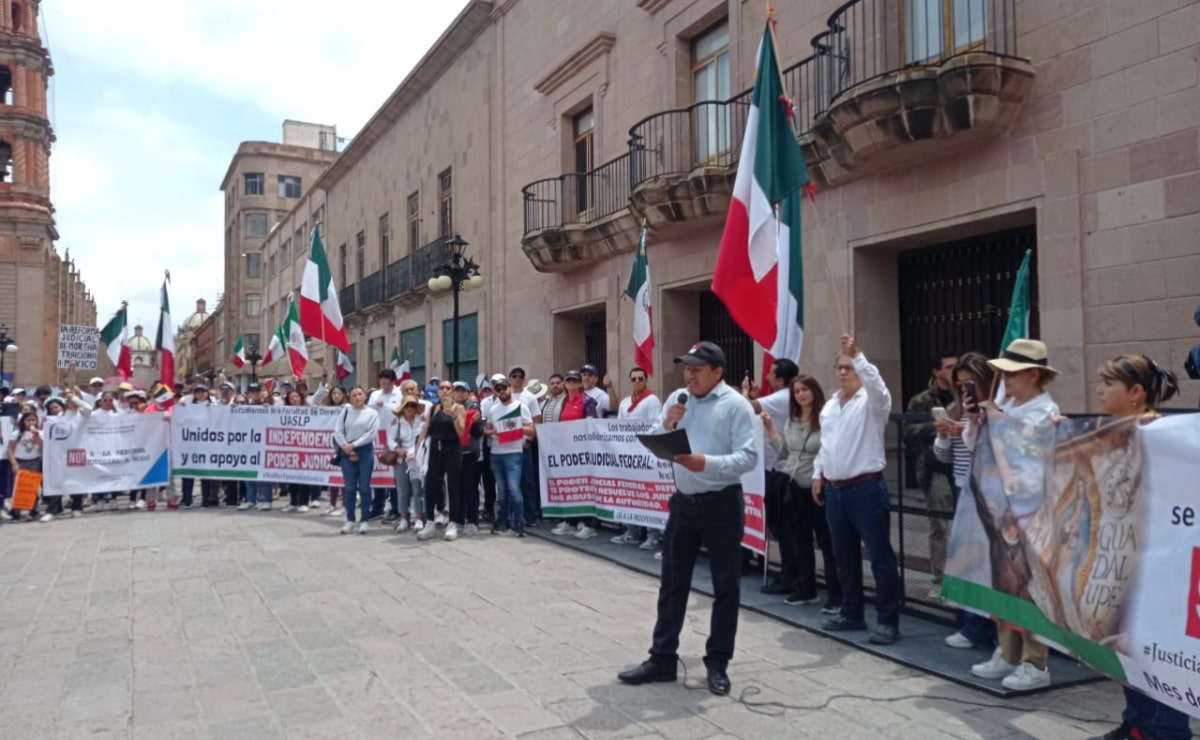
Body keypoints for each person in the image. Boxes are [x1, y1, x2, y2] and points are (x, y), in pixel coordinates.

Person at [617, 341, 758, 697]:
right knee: (672, 583)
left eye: (697, 369)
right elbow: (659, 440)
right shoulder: (678, 400)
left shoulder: (735, 406)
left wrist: (706, 462)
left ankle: (717, 663)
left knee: (726, 587)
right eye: (686, 368)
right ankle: (662, 657)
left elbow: (749, 457)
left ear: (717, 372)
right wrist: (666, 424)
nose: (689, 375)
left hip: (722, 504)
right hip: (683, 503)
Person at [1088, 354, 1188, 740]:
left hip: (1160, 564)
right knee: (1130, 647)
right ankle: (1139, 723)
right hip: (1123, 559)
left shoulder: (1163, 433)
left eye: (1108, 384)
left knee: (1161, 650)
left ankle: (1167, 731)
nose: (1099, 390)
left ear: (1135, 393)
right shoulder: (1110, 430)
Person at [968, 338, 1059, 690]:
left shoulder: (1044, 410)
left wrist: (998, 420)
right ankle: (1006, 652)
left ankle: (1035, 662)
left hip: (1031, 509)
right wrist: (977, 422)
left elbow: (1029, 452)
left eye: (1012, 374)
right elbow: (975, 447)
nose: (1005, 381)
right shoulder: (1006, 406)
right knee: (1004, 582)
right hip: (1000, 507)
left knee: (1030, 585)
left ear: (1033, 375)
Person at [813, 334, 902, 645]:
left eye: (848, 367)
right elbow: (826, 446)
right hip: (836, 490)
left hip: (866, 488)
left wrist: (859, 356)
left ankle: (888, 619)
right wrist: (817, 474)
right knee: (844, 556)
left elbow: (878, 388)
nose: (842, 372)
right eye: (839, 367)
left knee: (879, 557)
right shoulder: (829, 406)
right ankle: (851, 612)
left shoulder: (872, 403)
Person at [936, 352, 1000, 652]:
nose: (965, 389)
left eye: (969, 382)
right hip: (963, 486)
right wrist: (945, 437)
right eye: (960, 384)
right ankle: (968, 622)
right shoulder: (956, 407)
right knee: (965, 560)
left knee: (983, 562)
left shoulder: (993, 411)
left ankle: (980, 627)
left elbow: (991, 452)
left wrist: (968, 428)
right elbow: (944, 456)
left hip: (988, 491)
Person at [763, 375, 842, 612]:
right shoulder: (792, 420)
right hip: (794, 488)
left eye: (805, 389)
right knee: (801, 540)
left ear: (814, 392)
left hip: (818, 487)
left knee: (827, 542)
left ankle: (836, 595)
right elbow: (785, 452)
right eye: (797, 391)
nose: (801, 394)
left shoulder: (826, 419)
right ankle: (807, 589)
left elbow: (830, 451)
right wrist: (770, 430)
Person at [741, 359, 801, 594]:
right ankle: (791, 573)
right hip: (777, 468)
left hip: (783, 470)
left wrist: (746, 391)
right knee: (781, 526)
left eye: (771, 374)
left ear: (781, 379)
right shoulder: (782, 398)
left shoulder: (782, 397)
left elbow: (745, 407)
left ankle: (791, 576)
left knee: (785, 527)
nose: (767, 378)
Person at [905, 353, 958, 600]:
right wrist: (935, 425)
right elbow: (908, 430)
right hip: (936, 466)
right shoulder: (922, 400)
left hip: (962, 465)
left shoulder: (966, 395)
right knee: (939, 525)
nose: (954, 371)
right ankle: (940, 579)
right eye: (949, 367)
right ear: (937, 372)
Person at [609, 367, 664, 548]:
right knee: (631, 493)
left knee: (649, 495)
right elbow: (620, 427)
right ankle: (632, 531)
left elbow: (655, 426)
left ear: (646, 380)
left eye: (641, 378)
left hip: (645, 454)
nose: (637, 381)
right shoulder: (625, 402)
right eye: (634, 379)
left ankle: (653, 535)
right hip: (629, 455)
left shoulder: (652, 401)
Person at [549, 369, 599, 539]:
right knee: (570, 486)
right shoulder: (564, 401)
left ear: (579, 383)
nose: (570, 383)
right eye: (568, 380)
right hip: (566, 451)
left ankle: (588, 524)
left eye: (574, 380)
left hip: (583, 451)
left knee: (585, 487)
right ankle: (570, 521)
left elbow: (592, 425)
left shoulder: (588, 401)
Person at [416, 379, 466, 542]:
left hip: (452, 449)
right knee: (431, 485)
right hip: (435, 450)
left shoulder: (459, 408)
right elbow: (425, 431)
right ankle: (430, 521)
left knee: (453, 486)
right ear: (437, 391)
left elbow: (461, 431)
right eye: (441, 388)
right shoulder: (433, 408)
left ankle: (452, 523)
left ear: (452, 391)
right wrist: (415, 451)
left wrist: (453, 417)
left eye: (448, 388)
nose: (444, 390)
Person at [483, 375, 534, 537]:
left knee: (514, 489)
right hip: (496, 453)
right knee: (502, 491)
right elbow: (486, 431)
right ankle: (503, 521)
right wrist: (494, 432)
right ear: (495, 392)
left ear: (510, 388)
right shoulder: (493, 409)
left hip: (513, 452)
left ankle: (518, 522)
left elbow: (531, 430)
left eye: (504, 388)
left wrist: (516, 427)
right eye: (498, 389)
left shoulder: (521, 406)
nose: (502, 391)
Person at [333, 387, 379, 535]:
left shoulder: (372, 413)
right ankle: (350, 519)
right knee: (350, 487)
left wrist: (355, 445)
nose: (357, 397)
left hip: (364, 450)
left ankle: (364, 520)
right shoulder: (345, 411)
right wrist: (346, 446)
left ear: (365, 396)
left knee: (364, 487)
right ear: (350, 397)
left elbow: (371, 434)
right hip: (347, 450)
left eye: (360, 394)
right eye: (354, 395)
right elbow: (338, 431)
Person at [387, 395, 426, 533]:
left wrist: (415, 452)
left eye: (412, 406)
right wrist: (398, 449)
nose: (409, 408)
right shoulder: (396, 422)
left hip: (416, 460)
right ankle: (404, 518)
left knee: (417, 490)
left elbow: (424, 440)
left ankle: (419, 518)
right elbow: (390, 440)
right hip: (400, 459)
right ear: (403, 408)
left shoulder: (422, 422)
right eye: (407, 406)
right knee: (403, 490)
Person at [6, 411, 41, 522]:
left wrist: (36, 435)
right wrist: (14, 463)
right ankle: (16, 510)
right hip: (20, 461)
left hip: (34, 461)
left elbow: (42, 446)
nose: (30, 422)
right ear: (23, 422)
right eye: (28, 420)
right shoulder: (16, 434)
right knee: (19, 486)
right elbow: (10, 450)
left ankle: (33, 509)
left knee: (33, 487)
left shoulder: (39, 433)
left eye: (33, 420)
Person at [322, 385, 349, 517]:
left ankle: (345, 505)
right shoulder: (327, 410)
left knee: (344, 478)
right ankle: (332, 504)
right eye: (334, 394)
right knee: (332, 478)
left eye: (339, 393)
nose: (336, 396)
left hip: (343, 447)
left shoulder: (348, 409)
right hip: (330, 446)